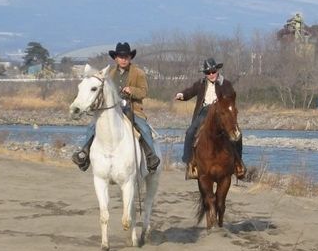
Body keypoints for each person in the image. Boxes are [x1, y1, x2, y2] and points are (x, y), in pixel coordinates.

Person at [72, 42, 161, 173]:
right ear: (116, 58)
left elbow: (144, 92)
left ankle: (151, 157)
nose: (123, 59)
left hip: (133, 108)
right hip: (114, 109)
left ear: (130, 58)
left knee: (143, 128)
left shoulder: (138, 73)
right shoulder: (109, 74)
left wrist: (132, 90)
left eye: (126, 57)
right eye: (120, 56)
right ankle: (84, 153)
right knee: (92, 125)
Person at [175, 58, 246, 180]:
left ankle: (238, 163)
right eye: (208, 73)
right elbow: (190, 91)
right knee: (191, 132)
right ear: (205, 74)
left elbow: (230, 97)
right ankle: (189, 163)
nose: (211, 74)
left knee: (236, 134)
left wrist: (224, 104)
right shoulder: (201, 83)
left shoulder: (226, 84)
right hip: (204, 112)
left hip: (220, 112)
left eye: (213, 71)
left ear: (217, 70)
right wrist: (182, 95)